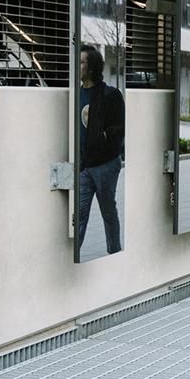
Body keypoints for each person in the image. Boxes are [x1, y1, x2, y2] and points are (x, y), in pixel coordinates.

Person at [78, 45, 124, 255]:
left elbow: (121, 125)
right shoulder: (76, 93)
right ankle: (73, 255)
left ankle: (114, 252)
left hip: (105, 164)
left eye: (81, 62)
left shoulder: (110, 94)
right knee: (79, 212)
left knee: (108, 211)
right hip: (84, 166)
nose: (77, 66)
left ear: (92, 67)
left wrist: (105, 136)